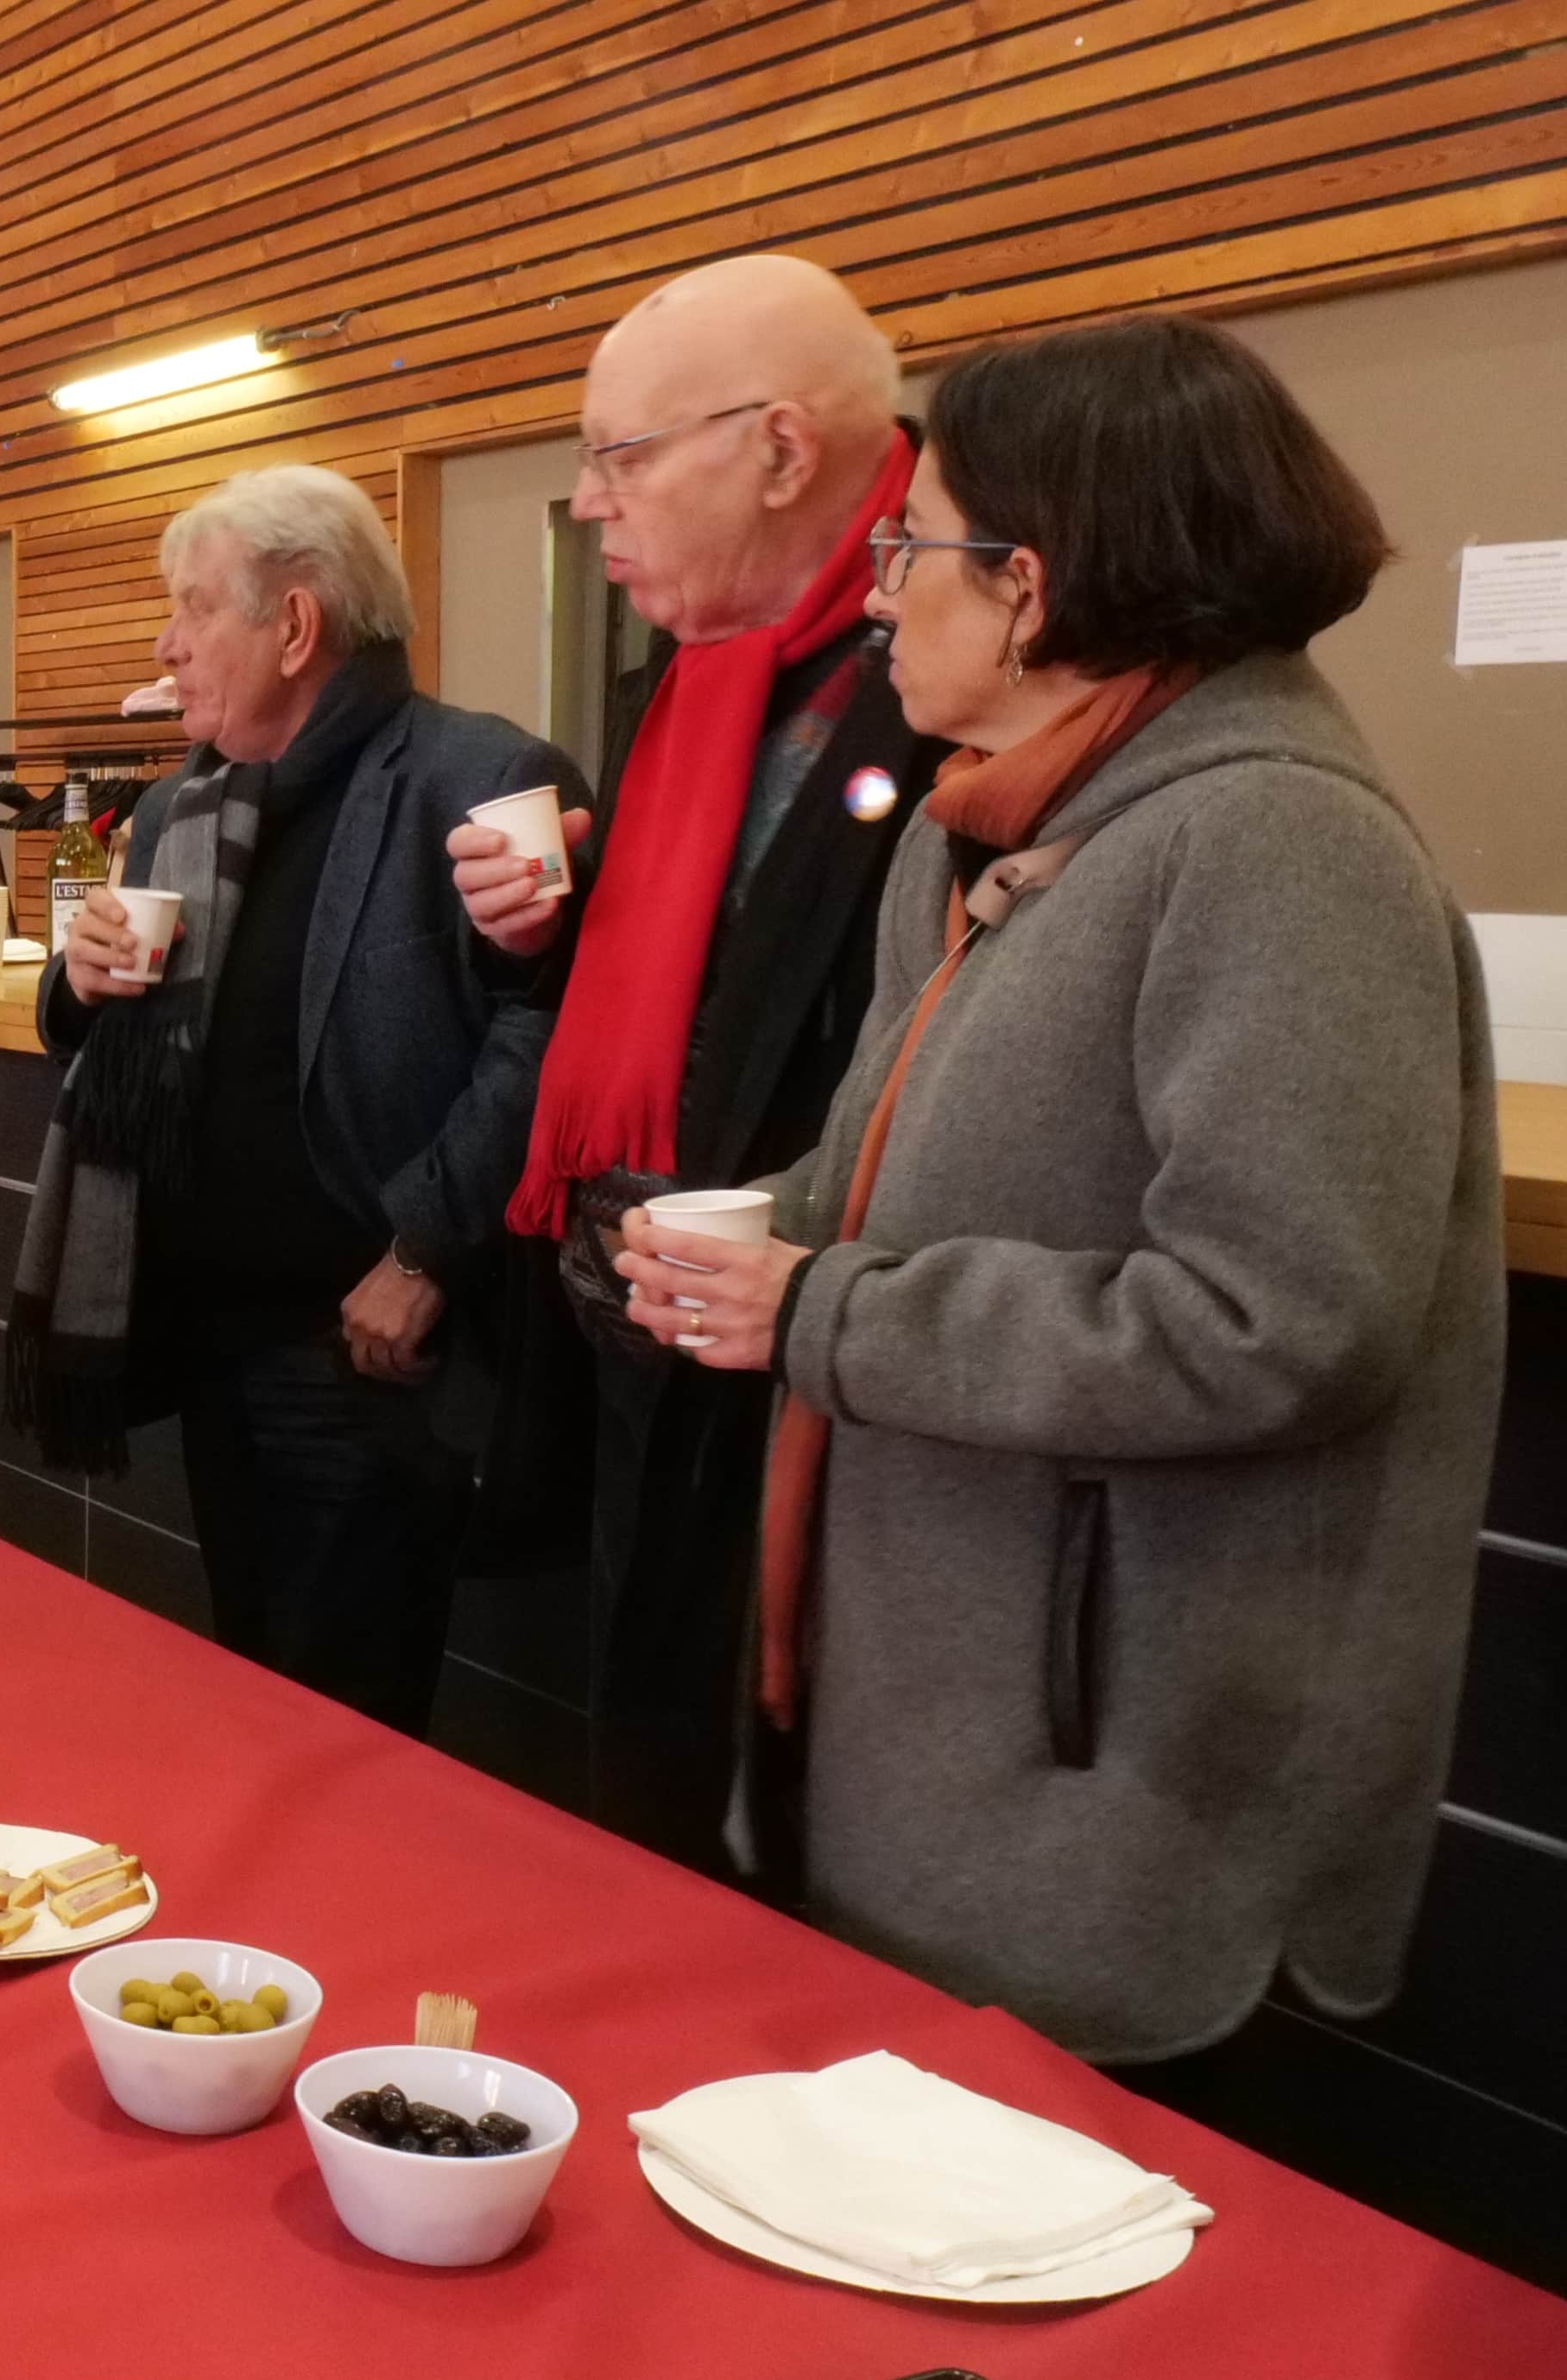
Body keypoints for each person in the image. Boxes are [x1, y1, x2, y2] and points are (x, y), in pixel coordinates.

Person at [610, 313, 1501, 2063]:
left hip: (1129, 1793)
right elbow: (884, 1165)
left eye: (907, 548)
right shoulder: (1002, 827)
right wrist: (744, 1238)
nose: (878, 595)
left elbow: (1283, 1322)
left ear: (1031, 583)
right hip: (939, 1736)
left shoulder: (1276, 843)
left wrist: (828, 1312)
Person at [452, 251, 952, 1879]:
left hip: (840, 1365)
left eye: (623, 456)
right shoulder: (701, 672)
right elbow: (714, 962)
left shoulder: (956, 679)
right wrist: (556, 921)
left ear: (783, 452)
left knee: (791, 1850)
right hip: (650, 1320)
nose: (593, 505)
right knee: (654, 1789)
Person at [16, 467, 578, 1733]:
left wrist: (427, 1247)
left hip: (372, 1347)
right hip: (212, 1332)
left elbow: (547, 1033)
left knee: (351, 1725)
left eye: (190, 608)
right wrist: (83, 979)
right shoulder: (177, 807)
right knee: (258, 1682)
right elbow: (94, 1029)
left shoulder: (484, 776)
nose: (165, 644)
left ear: (296, 624)